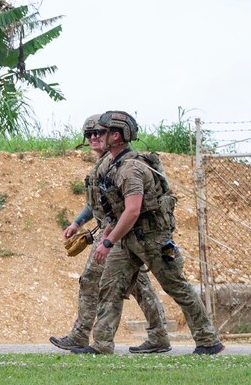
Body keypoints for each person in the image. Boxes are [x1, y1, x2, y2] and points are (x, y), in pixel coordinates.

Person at [71, 110, 223, 356]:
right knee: (110, 286)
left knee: (177, 287)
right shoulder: (111, 165)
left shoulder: (131, 168)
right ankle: (101, 344)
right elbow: (118, 211)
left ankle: (208, 340)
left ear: (117, 136)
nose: (96, 137)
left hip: (151, 240)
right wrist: (106, 236)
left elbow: (132, 211)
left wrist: (107, 241)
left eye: (103, 132)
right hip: (127, 239)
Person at [51, 114, 170, 354]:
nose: (94, 138)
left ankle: (82, 336)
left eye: (98, 133)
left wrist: (108, 237)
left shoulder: (118, 164)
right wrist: (76, 223)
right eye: (89, 134)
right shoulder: (104, 165)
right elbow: (95, 202)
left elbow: (126, 205)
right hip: (115, 233)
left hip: (117, 233)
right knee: (138, 286)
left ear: (111, 135)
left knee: (93, 281)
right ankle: (159, 336)